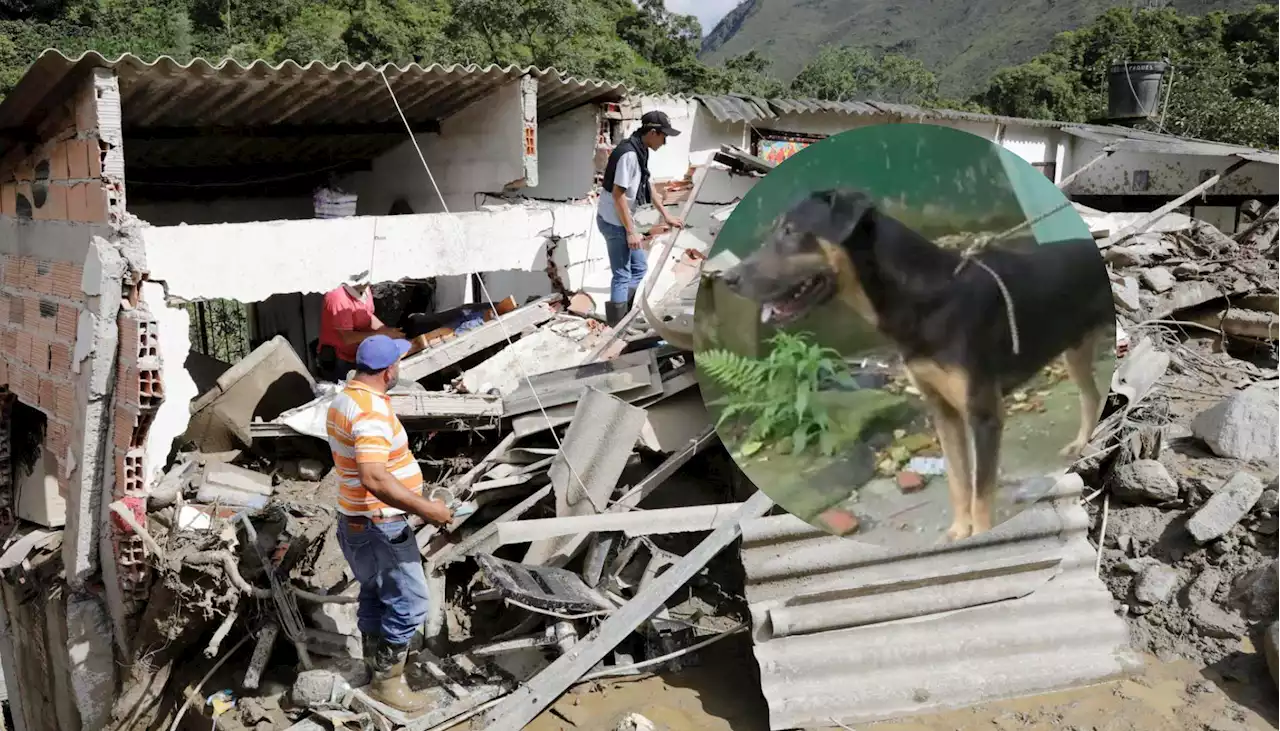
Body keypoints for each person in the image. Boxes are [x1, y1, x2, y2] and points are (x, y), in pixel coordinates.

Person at [325, 334, 454, 713]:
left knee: (375, 592)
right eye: (398, 362)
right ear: (388, 370)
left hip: (355, 520)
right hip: (380, 524)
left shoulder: (346, 398)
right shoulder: (370, 413)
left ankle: (371, 667)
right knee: (411, 602)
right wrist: (427, 510)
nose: (400, 367)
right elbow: (375, 478)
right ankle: (388, 682)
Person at [597, 110, 686, 326]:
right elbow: (618, 194)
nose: (664, 142)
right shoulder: (628, 154)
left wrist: (667, 216)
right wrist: (630, 232)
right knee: (622, 274)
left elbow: (650, 187)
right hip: (614, 221)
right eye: (664, 137)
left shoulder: (640, 150)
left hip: (623, 219)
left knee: (639, 269)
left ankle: (625, 317)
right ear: (653, 133)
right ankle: (616, 328)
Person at [317, 271, 404, 381]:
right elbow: (347, 338)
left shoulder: (365, 288)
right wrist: (380, 334)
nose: (368, 284)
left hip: (357, 355)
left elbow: (367, 314)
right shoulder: (337, 297)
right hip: (338, 359)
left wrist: (385, 330)